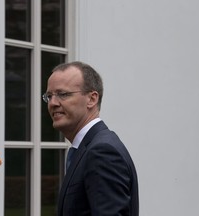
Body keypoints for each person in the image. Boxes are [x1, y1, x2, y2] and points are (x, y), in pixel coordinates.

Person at [42, 61, 139, 216]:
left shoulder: (102, 152)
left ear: (92, 99)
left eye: (63, 94)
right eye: (49, 96)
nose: (53, 103)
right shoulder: (88, 147)